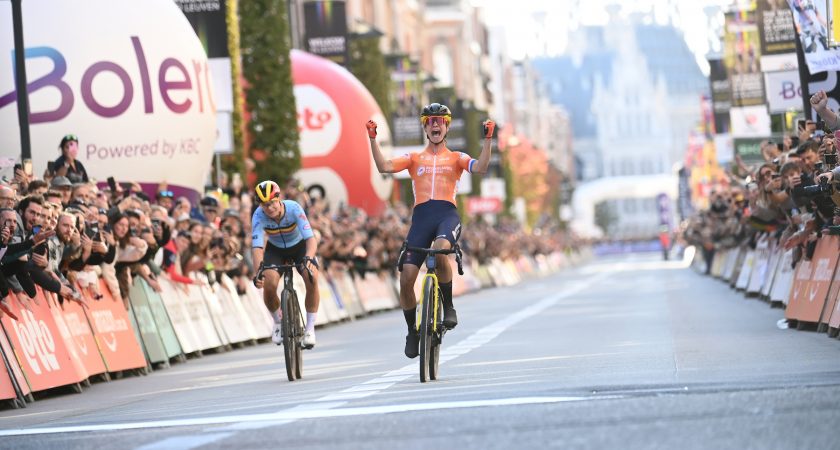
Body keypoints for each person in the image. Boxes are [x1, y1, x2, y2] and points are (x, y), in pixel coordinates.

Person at [366, 103, 494, 359]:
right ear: (425, 127)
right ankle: (412, 332)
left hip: (447, 216)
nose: (436, 125)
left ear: (446, 127)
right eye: (431, 121)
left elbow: (480, 167)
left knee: (440, 250)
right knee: (406, 277)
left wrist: (488, 139)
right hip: (421, 219)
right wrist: (373, 139)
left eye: (440, 121)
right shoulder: (414, 158)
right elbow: (384, 167)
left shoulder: (456, 157)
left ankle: (448, 306)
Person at [250, 180, 320, 349]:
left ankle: (310, 329)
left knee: (311, 278)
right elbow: (257, 247)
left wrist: (309, 258)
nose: (269, 208)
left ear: (279, 199)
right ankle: (277, 322)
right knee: (269, 282)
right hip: (276, 250)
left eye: (272, 203)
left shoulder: (294, 208)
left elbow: (310, 239)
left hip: (299, 247)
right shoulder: (258, 215)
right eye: (265, 205)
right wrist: (258, 271)